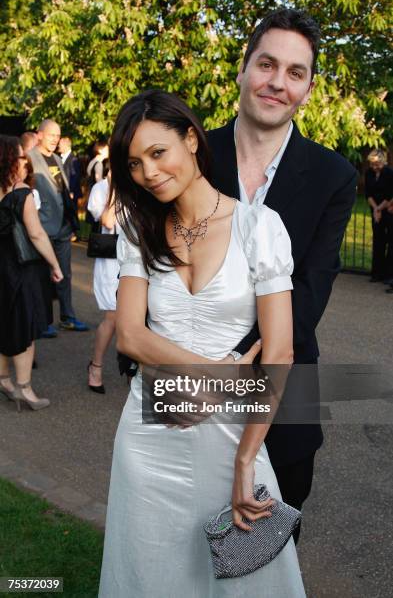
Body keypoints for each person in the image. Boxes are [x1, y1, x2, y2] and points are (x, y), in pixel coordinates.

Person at [99, 90, 306, 597]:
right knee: (149, 570)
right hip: (149, 431)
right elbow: (130, 335)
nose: (148, 172)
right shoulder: (138, 228)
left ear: (191, 139)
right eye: (134, 163)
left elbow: (279, 353)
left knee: (247, 573)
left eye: (157, 152)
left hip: (233, 435)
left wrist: (244, 462)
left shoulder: (260, 228)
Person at [206, 8, 357, 542]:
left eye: (295, 72)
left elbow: (310, 291)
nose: (278, 82)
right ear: (243, 70)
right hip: (189, 377)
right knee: (184, 534)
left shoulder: (333, 176)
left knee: (269, 544)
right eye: (267, 65)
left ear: (308, 89)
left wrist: (230, 358)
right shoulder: (193, 155)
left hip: (287, 389)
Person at [0, 135, 63, 411]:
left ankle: (4, 381)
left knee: (2, 324)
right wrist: (55, 264)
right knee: (25, 327)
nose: (24, 159)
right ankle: (24, 390)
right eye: (19, 155)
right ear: (11, 160)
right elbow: (36, 234)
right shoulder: (21, 191)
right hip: (20, 267)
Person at [28, 119, 89, 335]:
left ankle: (68, 317)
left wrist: (71, 221)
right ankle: (42, 321)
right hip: (42, 227)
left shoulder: (56, 158)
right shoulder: (30, 158)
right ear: (40, 135)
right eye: (51, 134)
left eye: (57, 135)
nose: (55, 139)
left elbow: (62, 190)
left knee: (65, 274)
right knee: (41, 276)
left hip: (62, 226)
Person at [86, 164, 119, 393]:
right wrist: (115, 190)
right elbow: (107, 221)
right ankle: (95, 366)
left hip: (138, 258)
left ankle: (134, 368)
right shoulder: (101, 188)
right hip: (111, 260)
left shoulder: (140, 185)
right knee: (113, 317)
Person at [364, 149, 393, 283]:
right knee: (378, 242)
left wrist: (380, 209)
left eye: (377, 164)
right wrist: (376, 209)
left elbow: (389, 194)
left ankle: (388, 274)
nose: (375, 167)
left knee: (390, 243)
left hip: (388, 210)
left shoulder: (389, 173)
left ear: (383, 162)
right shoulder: (369, 173)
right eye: (372, 164)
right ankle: (377, 273)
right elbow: (368, 194)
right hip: (375, 210)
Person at [58, 136, 83, 209]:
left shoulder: (73, 159)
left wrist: (71, 191)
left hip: (71, 193)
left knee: (72, 214)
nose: (58, 145)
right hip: (63, 192)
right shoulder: (59, 158)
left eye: (60, 144)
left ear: (65, 145)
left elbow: (75, 176)